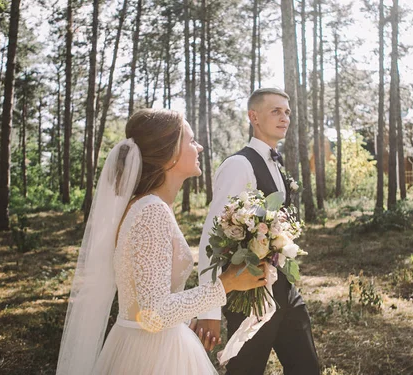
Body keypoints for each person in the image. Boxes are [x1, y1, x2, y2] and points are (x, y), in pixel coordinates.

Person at [56, 108, 268, 375]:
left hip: (150, 342)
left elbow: (150, 300)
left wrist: (184, 317)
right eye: (190, 141)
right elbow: (154, 314)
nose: (199, 147)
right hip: (150, 356)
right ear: (170, 155)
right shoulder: (150, 212)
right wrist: (227, 282)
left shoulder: (149, 206)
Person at [196, 88, 320, 374]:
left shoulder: (276, 164)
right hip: (250, 295)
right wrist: (209, 309)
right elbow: (210, 240)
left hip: (284, 289)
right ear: (254, 117)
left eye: (287, 112)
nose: (285, 117)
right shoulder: (239, 165)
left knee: (307, 368)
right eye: (275, 111)